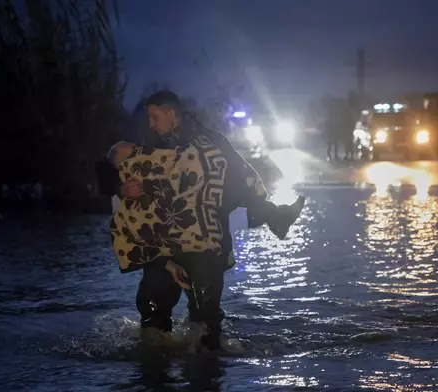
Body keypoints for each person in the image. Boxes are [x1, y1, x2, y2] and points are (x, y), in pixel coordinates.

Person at [97, 91, 306, 351]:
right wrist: (120, 188)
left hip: (204, 242)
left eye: (154, 116)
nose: (150, 123)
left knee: (206, 322)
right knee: (153, 312)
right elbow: (106, 167)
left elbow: (240, 179)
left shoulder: (211, 144)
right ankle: (154, 368)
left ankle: (206, 368)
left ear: (171, 113)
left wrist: (266, 210)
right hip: (163, 247)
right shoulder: (147, 144)